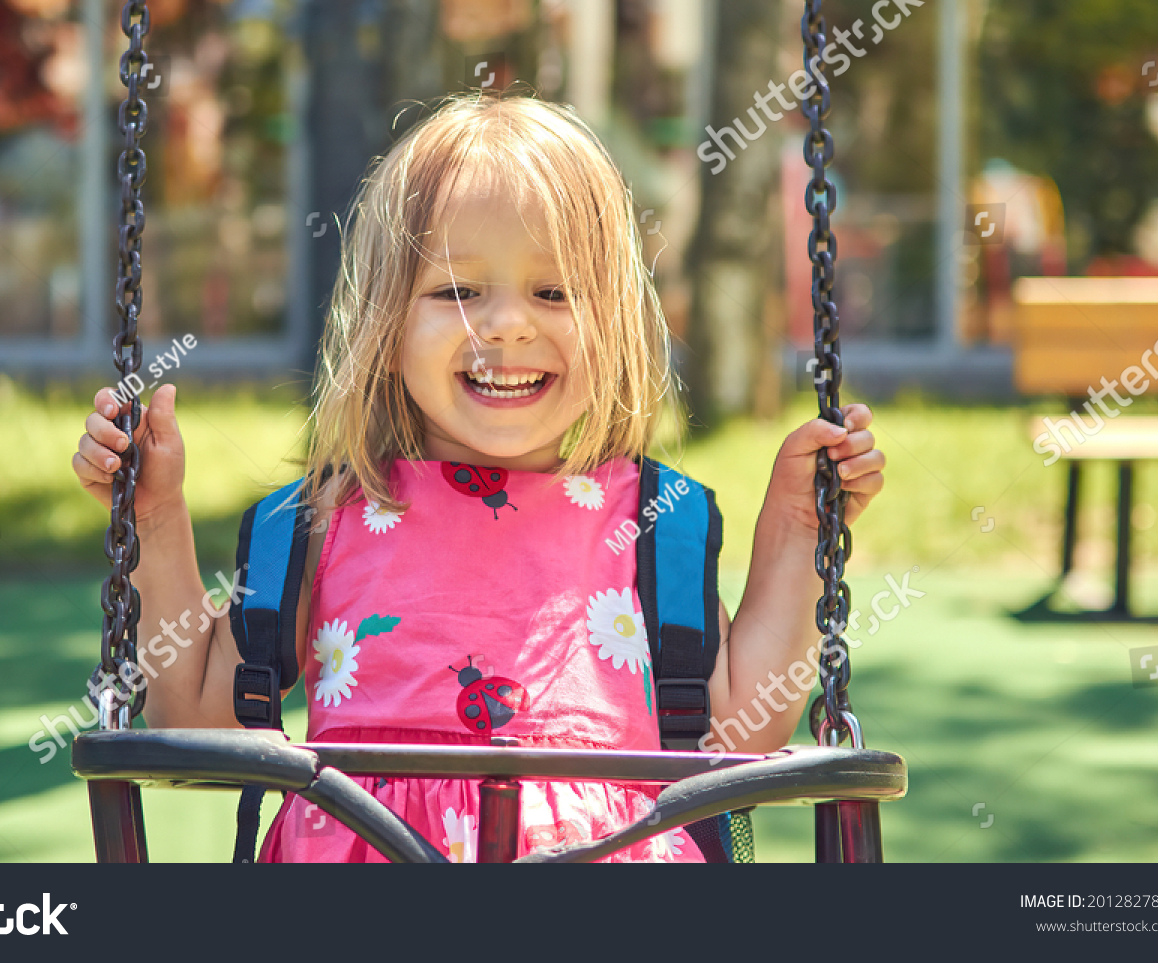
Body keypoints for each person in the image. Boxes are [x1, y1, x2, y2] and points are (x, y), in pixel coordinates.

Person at [72, 93, 885, 862]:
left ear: (615, 322)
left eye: (554, 290)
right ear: (386, 322)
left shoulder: (651, 527)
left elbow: (737, 734)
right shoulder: (328, 519)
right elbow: (200, 716)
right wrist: (150, 519)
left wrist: (801, 533)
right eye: (457, 290)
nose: (505, 323)